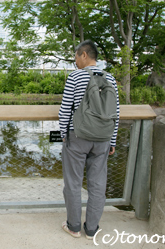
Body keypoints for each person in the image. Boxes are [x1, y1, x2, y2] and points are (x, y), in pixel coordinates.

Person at [58, 40, 120, 239]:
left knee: (73, 183)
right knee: (98, 184)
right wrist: (113, 140)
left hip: (78, 136)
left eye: (76, 56)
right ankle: (92, 229)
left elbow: (65, 109)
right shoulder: (110, 78)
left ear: (84, 55)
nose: (75, 61)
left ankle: (74, 227)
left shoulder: (75, 77)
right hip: (102, 138)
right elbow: (115, 113)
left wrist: (64, 135)